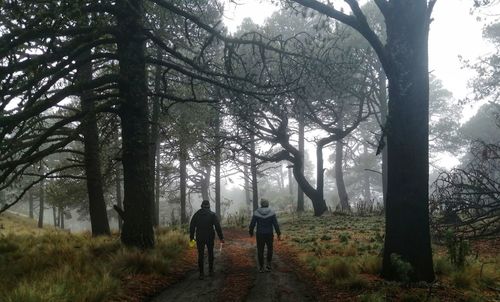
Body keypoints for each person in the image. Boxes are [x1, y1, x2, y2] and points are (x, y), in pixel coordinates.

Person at [189, 200, 224, 280]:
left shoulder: (197, 214)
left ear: (202, 205)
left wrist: (191, 238)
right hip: (209, 237)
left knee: (200, 255)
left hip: (199, 237)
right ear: (208, 205)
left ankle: (201, 274)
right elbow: (217, 227)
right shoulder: (212, 215)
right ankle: (211, 271)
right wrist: (221, 237)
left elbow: (192, 226)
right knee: (210, 253)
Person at [249, 198, 281, 273]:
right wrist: (278, 233)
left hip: (260, 234)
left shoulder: (256, 212)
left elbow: (252, 224)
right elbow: (275, 224)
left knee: (260, 250)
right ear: (267, 204)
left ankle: (261, 267)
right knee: (270, 249)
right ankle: (268, 265)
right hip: (269, 234)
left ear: (261, 204)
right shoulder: (272, 212)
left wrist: (251, 232)